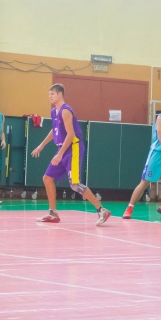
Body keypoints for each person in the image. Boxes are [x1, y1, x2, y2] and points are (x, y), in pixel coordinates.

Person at [31, 83, 111, 226]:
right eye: (49, 94)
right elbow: (54, 130)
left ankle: (101, 210)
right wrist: (41, 145)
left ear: (60, 94)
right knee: (47, 178)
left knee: (75, 185)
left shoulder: (66, 111)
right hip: (62, 148)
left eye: (52, 94)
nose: (50, 96)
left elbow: (71, 134)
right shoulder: (54, 111)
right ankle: (53, 213)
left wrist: (60, 154)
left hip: (73, 148)